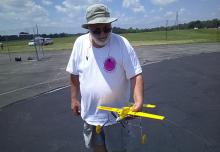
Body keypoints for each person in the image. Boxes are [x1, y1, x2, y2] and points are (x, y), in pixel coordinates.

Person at [66, 3, 144, 152]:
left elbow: (136, 74)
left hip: (116, 117)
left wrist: (138, 102)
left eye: (107, 29)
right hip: (90, 115)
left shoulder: (122, 43)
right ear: (88, 28)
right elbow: (74, 73)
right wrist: (74, 99)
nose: (102, 34)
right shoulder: (79, 44)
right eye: (96, 31)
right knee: (98, 149)